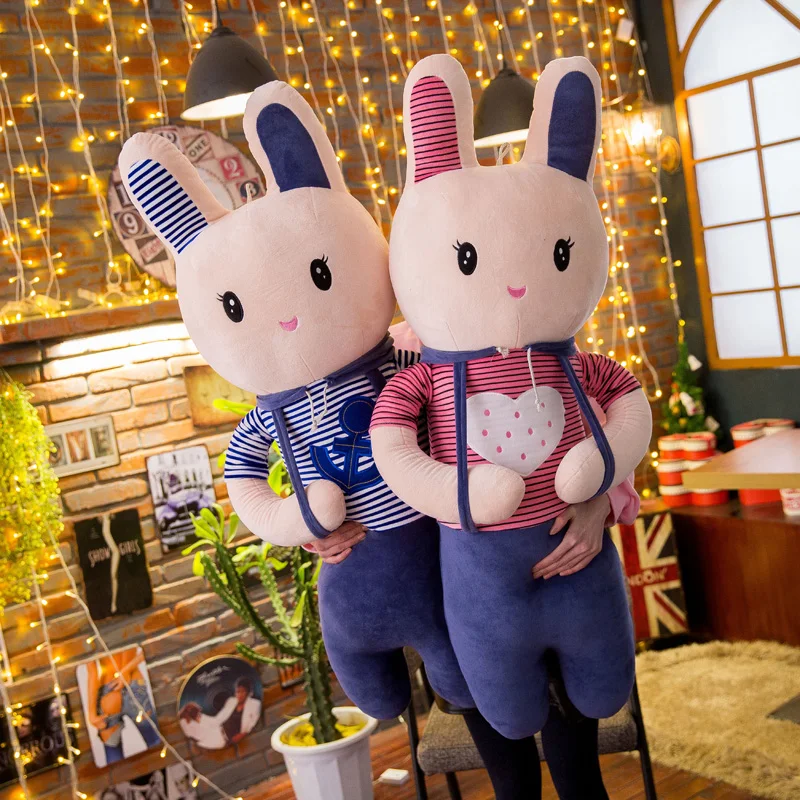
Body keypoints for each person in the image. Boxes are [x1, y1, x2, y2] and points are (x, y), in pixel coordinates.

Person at [85, 648, 159, 765]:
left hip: (109, 693)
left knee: (114, 761)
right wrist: (126, 670)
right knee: (156, 744)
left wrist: (91, 714)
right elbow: (151, 648)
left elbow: (92, 671)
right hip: (134, 684)